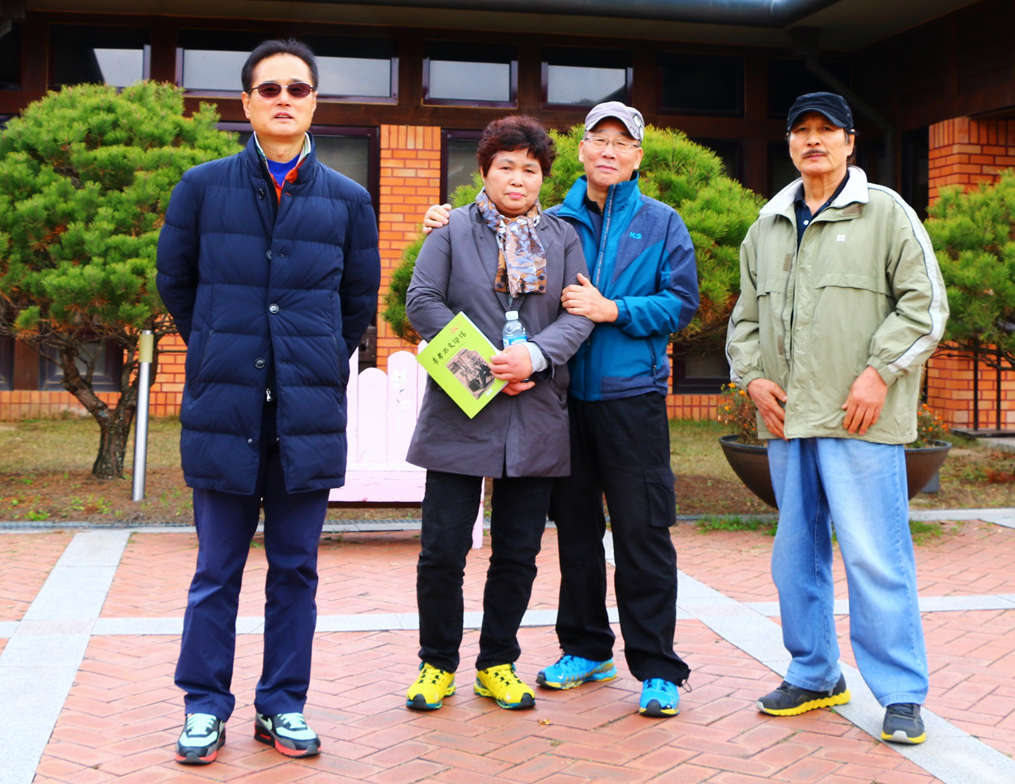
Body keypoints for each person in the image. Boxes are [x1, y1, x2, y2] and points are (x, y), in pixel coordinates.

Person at [422, 101, 699, 718]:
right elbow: (472, 243)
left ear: (637, 156)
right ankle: (586, 647)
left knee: (642, 531)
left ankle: (657, 666)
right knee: (575, 533)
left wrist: (614, 310)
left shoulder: (661, 222)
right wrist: (442, 221)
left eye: (622, 142)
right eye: (599, 139)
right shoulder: (558, 221)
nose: (609, 151)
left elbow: (682, 303)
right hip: (562, 402)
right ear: (580, 151)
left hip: (630, 397)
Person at [156, 38, 380, 765]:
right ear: (246, 102)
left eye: (298, 88)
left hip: (305, 415)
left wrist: (315, 359)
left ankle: (282, 704)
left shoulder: (349, 201)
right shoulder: (201, 187)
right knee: (215, 570)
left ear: (315, 102)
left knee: (295, 570)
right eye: (270, 88)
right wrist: (219, 343)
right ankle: (203, 705)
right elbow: (177, 283)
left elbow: (357, 302)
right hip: (226, 408)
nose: (285, 99)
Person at [725, 91, 947, 745]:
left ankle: (901, 693)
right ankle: (814, 673)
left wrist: (879, 373)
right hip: (787, 421)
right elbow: (743, 320)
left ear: (851, 142)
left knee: (876, 557)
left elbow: (925, 307)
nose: (814, 140)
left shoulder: (887, 213)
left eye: (828, 130)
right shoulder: (766, 226)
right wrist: (752, 378)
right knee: (795, 559)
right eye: (802, 131)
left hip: (859, 419)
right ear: (790, 144)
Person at [404, 115, 594, 713]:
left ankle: (497, 663)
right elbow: (422, 301)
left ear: (542, 178)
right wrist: (486, 368)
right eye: (505, 166)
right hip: (461, 408)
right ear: (484, 171)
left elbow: (578, 313)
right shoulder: (451, 229)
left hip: (534, 409)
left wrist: (531, 357)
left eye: (529, 169)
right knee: (442, 548)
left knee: (518, 550)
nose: (517, 178)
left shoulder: (563, 237)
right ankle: (437, 663)